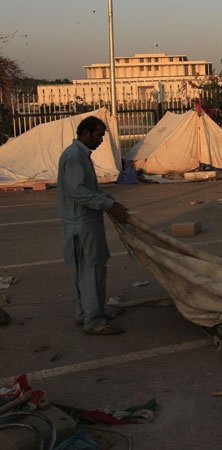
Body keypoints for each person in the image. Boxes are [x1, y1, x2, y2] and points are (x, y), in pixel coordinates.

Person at [57, 116, 130, 334]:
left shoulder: (81, 154)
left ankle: (86, 313)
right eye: (98, 135)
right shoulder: (74, 156)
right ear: (85, 133)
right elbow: (78, 191)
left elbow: (87, 187)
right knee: (92, 272)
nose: (100, 140)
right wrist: (108, 205)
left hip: (84, 222)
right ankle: (94, 321)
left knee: (85, 272)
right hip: (82, 223)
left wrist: (106, 197)